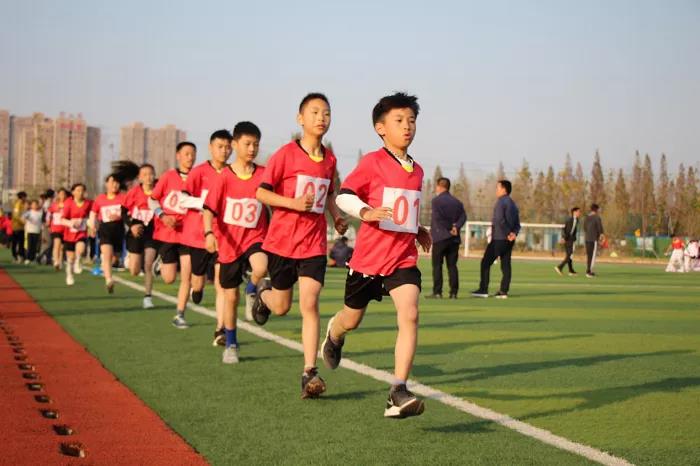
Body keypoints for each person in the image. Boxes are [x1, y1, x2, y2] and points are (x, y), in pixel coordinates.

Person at [325, 92, 431, 418]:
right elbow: (343, 196)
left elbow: (403, 210)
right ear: (380, 128)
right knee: (351, 320)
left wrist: (417, 229)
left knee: (410, 313)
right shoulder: (372, 162)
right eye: (399, 121)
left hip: (402, 259)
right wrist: (366, 212)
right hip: (368, 262)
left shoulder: (418, 170)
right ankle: (334, 334)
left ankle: (398, 390)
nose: (407, 126)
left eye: (411, 120)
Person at [252, 92, 348, 398]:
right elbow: (261, 193)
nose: (322, 118)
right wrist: (292, 203)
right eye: (315, 112)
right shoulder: (284, 155)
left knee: (310, 302)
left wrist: (336, 216)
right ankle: (262, 296)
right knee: (281, 307)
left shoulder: (330, 159)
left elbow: (329, 194)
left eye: (326, 113)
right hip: (281, 242)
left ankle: (309, 373)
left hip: (313, 244)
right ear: (300, 118)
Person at [203, 121, 269, 363]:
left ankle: (252, 290)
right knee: (230, 298)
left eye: (256, 144)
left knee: (261, 267)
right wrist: (208, 233)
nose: (252, 149)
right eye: (247, 144)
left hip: (255, 237)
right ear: (235, 144)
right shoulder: (224, 178)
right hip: (229, 245)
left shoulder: (263, 174)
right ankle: (231, 343)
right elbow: (208, 209)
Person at [180, 130, 232, 344]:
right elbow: (183, 199)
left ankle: (220, 329)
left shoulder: (232, 172)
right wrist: (206, 204)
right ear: (210, 148)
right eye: (220, 146)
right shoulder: (198, 172)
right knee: (198, 281)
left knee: (222, 284)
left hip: (223, 237)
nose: (224, 151)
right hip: (198, 236)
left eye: (228, 147)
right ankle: (197, 288)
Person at [149, 141, 196, 329]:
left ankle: (180, 314)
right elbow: (152, 200)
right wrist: (163, 216)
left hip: (188, 233)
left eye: (193, 154)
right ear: (178, 156)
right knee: (169, 279)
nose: (190, 157)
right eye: (186, 154)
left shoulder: (198, 176)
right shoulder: (168, 176)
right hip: (168, 233)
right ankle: (161, 261)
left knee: (187, 276)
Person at [471, 180, 520, 299]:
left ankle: (483, 289)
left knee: (485, 263)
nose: (496, 190)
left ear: (504, 189)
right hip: (509, 239)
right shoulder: (513, 204)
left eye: (498, 188)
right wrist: (513, 233)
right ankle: (504, 291)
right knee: (506, 264)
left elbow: (499, 220)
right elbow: (517, 223)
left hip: (499, 238)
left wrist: (507, 233)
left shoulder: (501, 202)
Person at [121, 162, 158, 309]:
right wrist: (131, 225)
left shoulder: (159, 191)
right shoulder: (134, 192)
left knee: (148, 264)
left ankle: (148, 297)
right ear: (140, 178)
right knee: (134, 271)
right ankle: (129, 257)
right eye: (145, 175)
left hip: (152, 231)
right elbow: (123, 211)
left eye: (151, 174)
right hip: (137, 230)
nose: (149, 177)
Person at [427, 177, 466, 299]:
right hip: (454, 239)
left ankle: (437, 292)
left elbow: (438, 218)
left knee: (437, 265)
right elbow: (463, 217)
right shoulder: (457, 202)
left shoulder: (436, 201)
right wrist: (456, 227)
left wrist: (450, 227)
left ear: (439, 186)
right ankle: (453, 292)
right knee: (452, 266)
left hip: (441, 237)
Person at [90, 174, 127, 293]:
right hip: (105, 229)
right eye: (112, 182)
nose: (114, 185)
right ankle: (109, 280)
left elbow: (129, 212)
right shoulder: (100, 199)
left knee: (115, 258)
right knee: (107, 254)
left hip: (118, 229)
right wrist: (92, 227)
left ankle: (108, 266)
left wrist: (119, 215)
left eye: (117, 183)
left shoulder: (123, 198)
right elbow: (93, 213)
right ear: (106, 184)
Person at [61, 183, 93, 286]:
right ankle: (69, 275)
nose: (80, 192)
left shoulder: (88, 203)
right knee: (70, 258)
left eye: (82, 190)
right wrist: (71, 223)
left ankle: (78, 260)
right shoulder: (68, 203)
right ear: (73, 192)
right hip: (69, 233)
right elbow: (62, 219)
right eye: (78, 190)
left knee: (81, 248)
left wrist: (91, 225)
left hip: (81, 232)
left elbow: (92, 215)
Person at [555, 207, 581, 276]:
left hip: (570, 239)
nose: (579, 213)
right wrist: (564, 238)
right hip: (568, 240)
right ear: (574, 212)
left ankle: (571, 271)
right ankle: (559, 267)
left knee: (570, 255)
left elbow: (571, 230)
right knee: (569, 255)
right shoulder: (569, 220)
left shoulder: (577, 220)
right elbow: (565, 230)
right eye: (578, 212)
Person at [47, 189, 68, 270]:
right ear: (58, 195)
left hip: (65, 228)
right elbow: (48, 214)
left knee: (62, 247)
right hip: (56, 227)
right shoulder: (54, 204)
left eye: (64, 194)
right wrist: (48, 223)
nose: (62, 195)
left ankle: (60, 261)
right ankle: (56, 261)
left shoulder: (68, 204)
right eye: (61, 194)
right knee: (57, 244)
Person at [583, 203, 605, 278]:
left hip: (587, 239)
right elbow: (599, 228)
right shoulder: (597, 217)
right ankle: (589, 272)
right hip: (593, 239)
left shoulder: (586, 217)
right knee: (592, 256)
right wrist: (601, 236)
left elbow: (585, 228)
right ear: (596, 209)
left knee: (589, 256)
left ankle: (589, 271)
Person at [10, 191, 27, 263]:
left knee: (20, 242)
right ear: (22, 197)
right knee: (17, 242)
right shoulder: (18, 204)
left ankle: (20, 256)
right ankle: (16, 257)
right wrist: (24, 222)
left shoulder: (22, 204)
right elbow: (16, 215)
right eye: (25, 197)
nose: (26, 199)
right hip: (17, 226)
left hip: (21, 227)